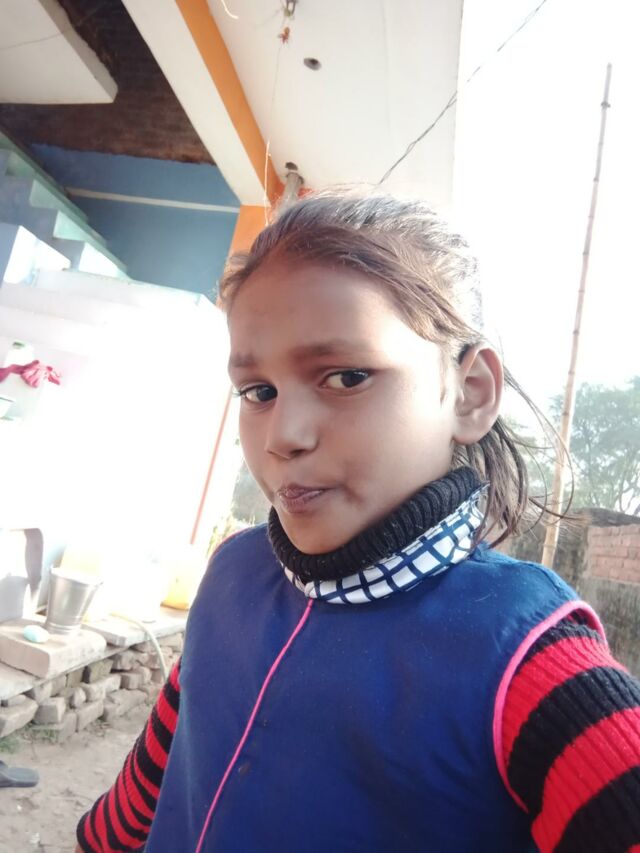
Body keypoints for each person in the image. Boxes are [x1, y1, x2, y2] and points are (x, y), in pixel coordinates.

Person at [75, 191, 640, 853]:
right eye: (258, 391)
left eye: (345, 377)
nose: (283, 435)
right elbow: (165, 763)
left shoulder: (531, 662)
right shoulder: (233, 573)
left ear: (470, 393)